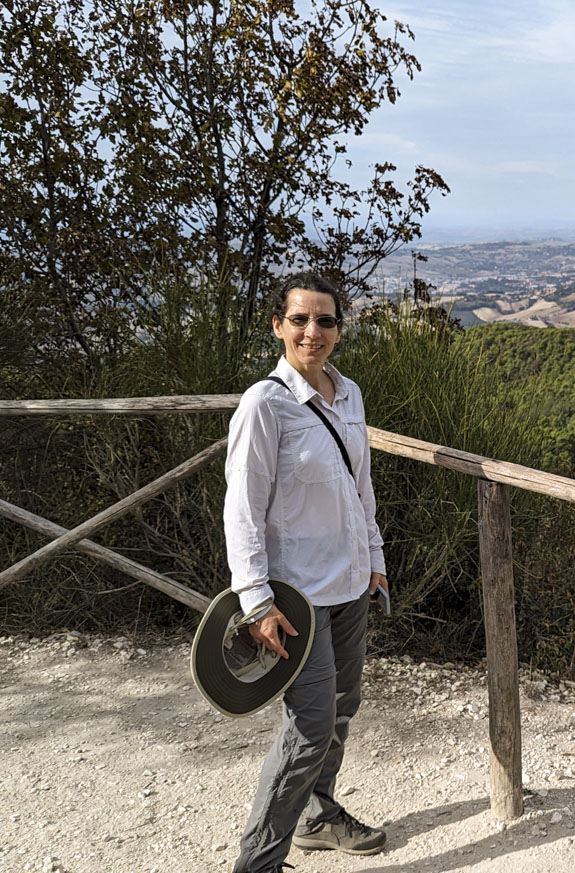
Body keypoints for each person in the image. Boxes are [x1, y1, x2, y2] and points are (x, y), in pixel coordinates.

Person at [224, 271, 390, 873]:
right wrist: (255, 600)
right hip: (297, 599)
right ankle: (258, 863)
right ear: (278, 326)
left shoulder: (350, 396)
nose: (312, 331)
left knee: (342, 709)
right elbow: (241, 508)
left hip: (350, 584)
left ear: (339, 330)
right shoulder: (264, 404)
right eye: (299, 319)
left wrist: (374, 560)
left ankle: (318, 816)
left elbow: (359, 490)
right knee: (310, 727)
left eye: (324, 320)